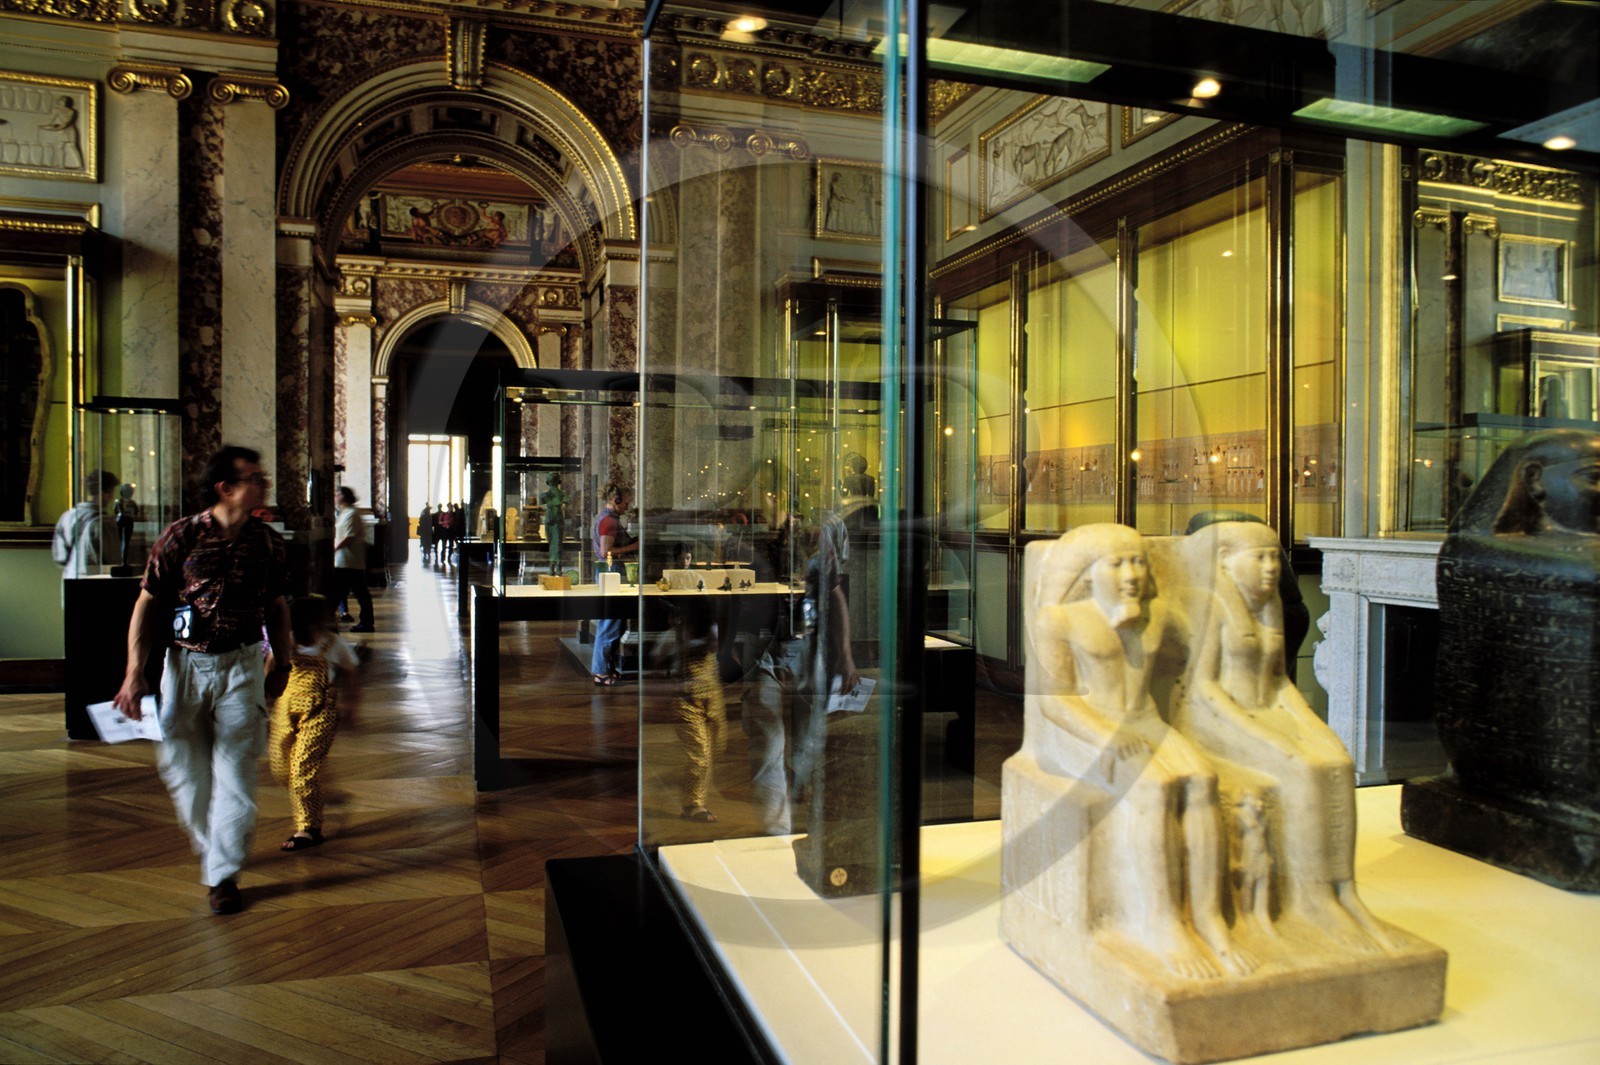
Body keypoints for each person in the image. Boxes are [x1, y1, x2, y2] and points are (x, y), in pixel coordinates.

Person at [1024, 523, 1248, 979]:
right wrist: (1103, 734)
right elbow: (1055, 703)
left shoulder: (1157, 614)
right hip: (1085, 730)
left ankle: (1208, 917)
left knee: (1203, 781)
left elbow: (1192, 649)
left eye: (1139, 562)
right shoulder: (1059, 620)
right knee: (1154, 789)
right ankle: (1161, 922)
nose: (1131, 574)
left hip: (1146, 721)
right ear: (1088, 574)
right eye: (1117, 564)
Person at [1176, 520, 1392, 952]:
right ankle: (1312, 898)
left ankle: (1341, 891)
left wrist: (1310, 726)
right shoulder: (1209, 602)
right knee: (1305, 770)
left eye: (1274, 558)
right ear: (1225, 560)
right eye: (1259, 557)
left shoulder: (1268, 603)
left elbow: (1278, 683)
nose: (1271, 567)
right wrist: (1270, 739)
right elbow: (1201, 690)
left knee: (1336, 761)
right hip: (1215, 719)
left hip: (1266, 713)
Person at [111, 445, 292, 916]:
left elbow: (276, 606)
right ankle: (214, 849)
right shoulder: (182, 536)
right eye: (255, 478)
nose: (264, 484)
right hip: (185, 666)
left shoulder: (268, 543)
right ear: (225, 488)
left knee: (237, 775)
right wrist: (134, 673)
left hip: (242, 666)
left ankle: (223, 876)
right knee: (185, 774)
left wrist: (283, 663)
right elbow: (147, 602)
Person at [271, 594, 360, 851]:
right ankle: (322, 793)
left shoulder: (333, 644)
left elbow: (351, 673)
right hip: (286, 710)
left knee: (302, 768)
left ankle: (309, 828)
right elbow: (271, 667)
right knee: (281, 766)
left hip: (320, 713)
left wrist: (351, 707)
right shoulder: (287, 641)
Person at [669, 597, 727, 823]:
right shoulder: (680, 631)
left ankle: (695, 796)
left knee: (716, 746)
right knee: (700, 754)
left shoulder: (711, 628)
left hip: (711, 696)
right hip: (686, 699)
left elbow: (714, 646)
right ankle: (692, 804)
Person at [590, 481, 637, 685]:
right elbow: (605, 552)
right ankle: (601, 672)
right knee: (610, 624)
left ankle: (607, 668)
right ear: (616, 500)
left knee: (612, 623)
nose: (627, 507)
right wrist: (634, 547)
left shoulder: (607, 518)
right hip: (611, 573)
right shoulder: (609, 521)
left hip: (609, 573)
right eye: (626, 503)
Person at [52, 468, 118, 584]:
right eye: (110, 492)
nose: (111, 497)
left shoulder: (68, 516)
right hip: (95, 579)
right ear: (104, 492)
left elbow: (60, 557)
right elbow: (112, 559)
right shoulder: (103, 522)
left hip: (70, 577)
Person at [332, 486, 375, 632]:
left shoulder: (352, 513)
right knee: (342, 592)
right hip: (343, 560)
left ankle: (366, 623)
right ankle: (328, 623)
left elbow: (349, 536)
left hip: (350, 561)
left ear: (344, 496)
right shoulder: (344, 513)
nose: (335, 497)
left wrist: (335, 548)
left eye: (337, 494)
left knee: (357, 593)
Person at [114, 483, 140, 566]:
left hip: (121, 520)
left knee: (121, 541)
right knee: (125, 542)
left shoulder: (119, 501)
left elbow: (115, 511)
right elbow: (136, 512)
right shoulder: (132, 502)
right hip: (128, 520)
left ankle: (122, 560)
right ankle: (123, 561)